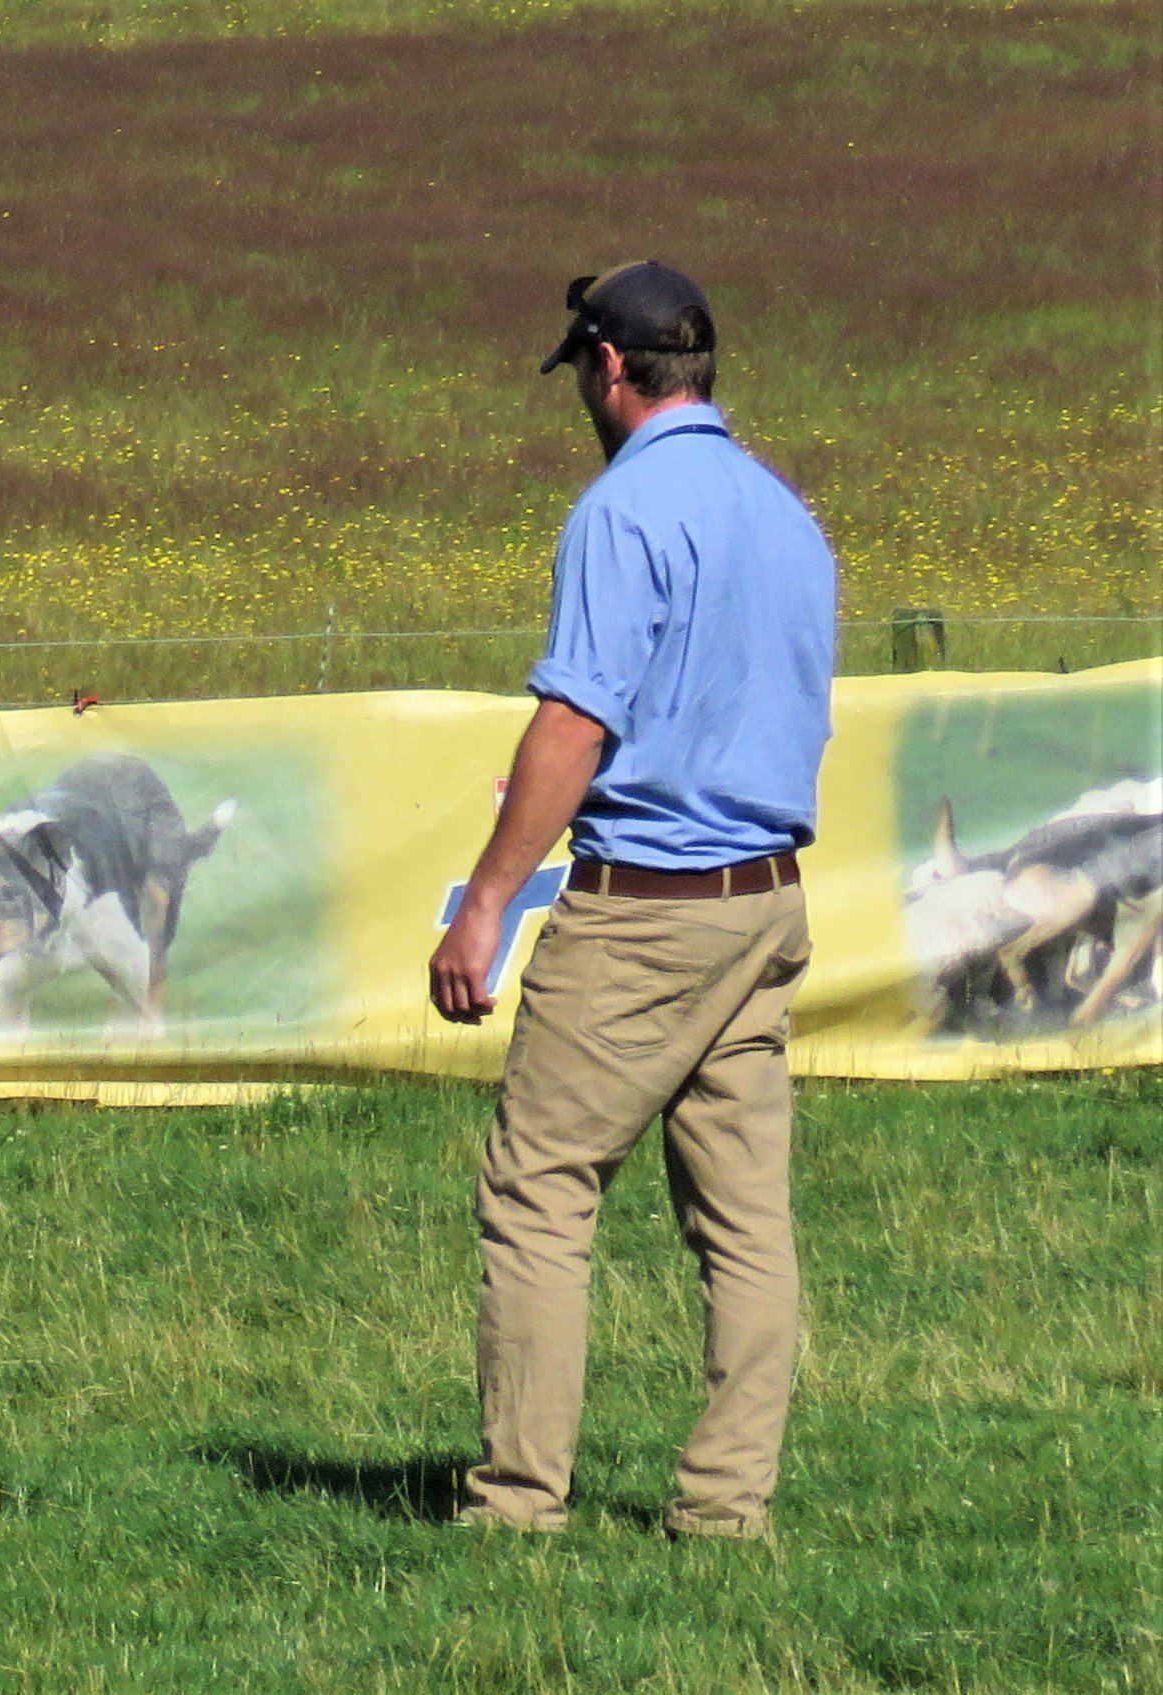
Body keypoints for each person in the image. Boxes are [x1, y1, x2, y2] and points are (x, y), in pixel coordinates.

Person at [424, 261, 836, 1540]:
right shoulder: (784, 514)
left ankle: (513, 1505)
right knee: (745, 1225)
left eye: (578, 375)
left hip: (644, 908)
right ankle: (723, 1510)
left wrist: (486, 900)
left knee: (539, 1190)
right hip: (763, 902)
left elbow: (574, 718)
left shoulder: (623, 510)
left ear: (608, 366)